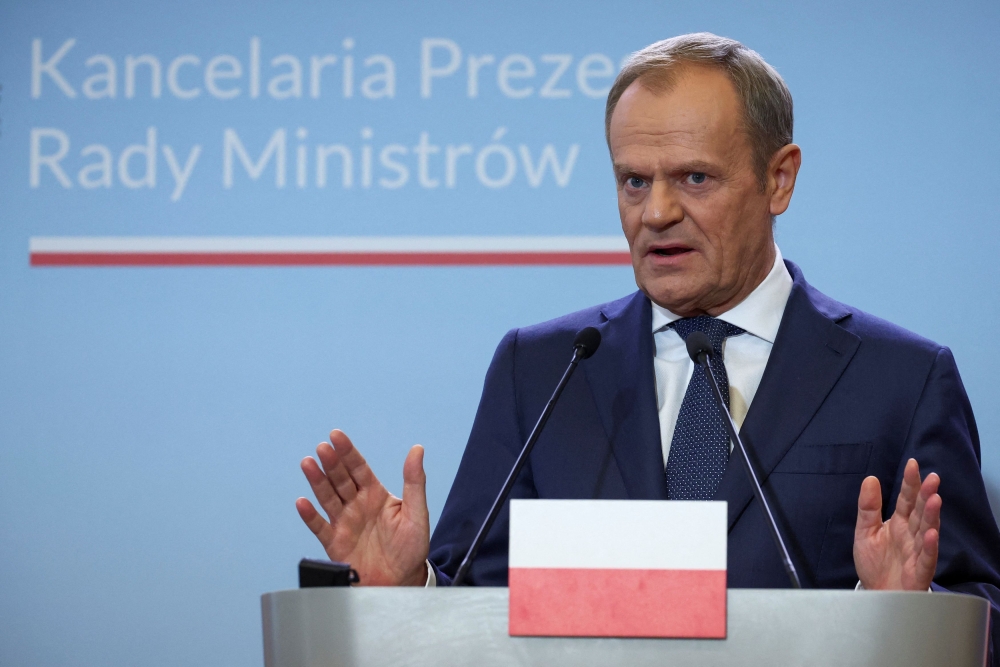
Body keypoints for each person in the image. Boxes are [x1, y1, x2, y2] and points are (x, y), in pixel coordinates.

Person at [295, 32, 1000, 659]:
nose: (656, 212)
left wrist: (911, 614)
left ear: (778, 178)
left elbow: (982, 615)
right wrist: (405, 588)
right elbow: (474, 604)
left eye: (695, 177)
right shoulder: (541, 369)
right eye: (634, 180)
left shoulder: (901, 379)